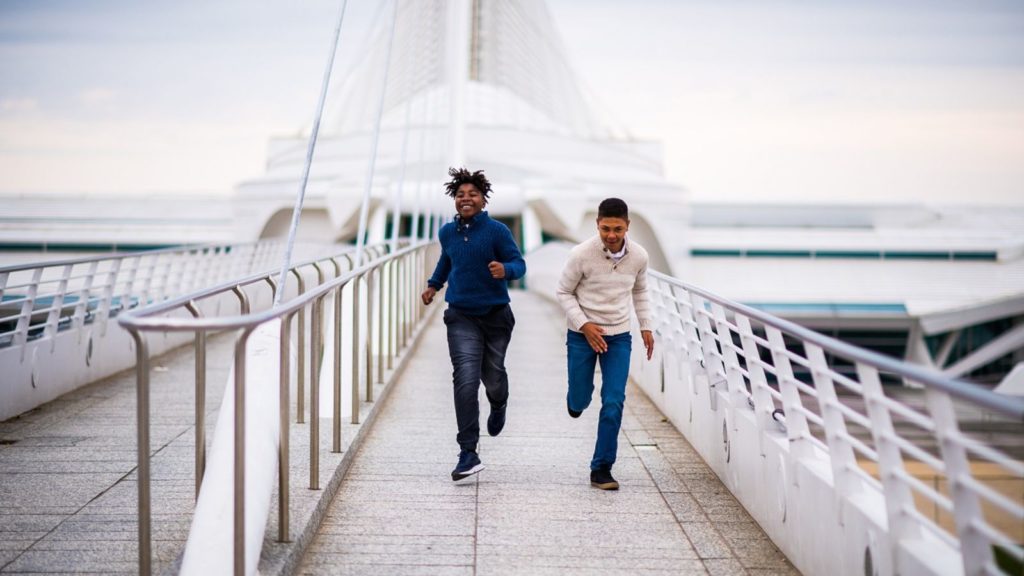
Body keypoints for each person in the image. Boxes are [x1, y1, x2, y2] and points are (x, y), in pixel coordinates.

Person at [421, 167, 526, 482]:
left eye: (472, 194)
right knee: (465, 380)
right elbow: (447, 260)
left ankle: (499, 401)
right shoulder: (447, 232)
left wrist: (504, 269)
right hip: (461, 315)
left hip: (495, 316)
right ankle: (468, 452)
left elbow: (519, 264)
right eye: (460, 195)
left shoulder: (497, 231)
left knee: (492, 377)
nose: (465, 199)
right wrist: (433, 285)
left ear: (483, 199)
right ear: (455, 200)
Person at [556, 197, 654, 490]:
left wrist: (646, 326)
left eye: (618, 229)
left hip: (619, 336)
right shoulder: (580, 254)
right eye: (605, 229)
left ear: (627, 227)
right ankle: (576, 401)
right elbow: (563, 292)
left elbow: (640, 291)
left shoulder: (639, 256)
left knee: (613, 401)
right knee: (580, 398)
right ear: (597, 224)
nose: (611, 236)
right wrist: (584, 325)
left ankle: (602, 468)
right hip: (582, 334)